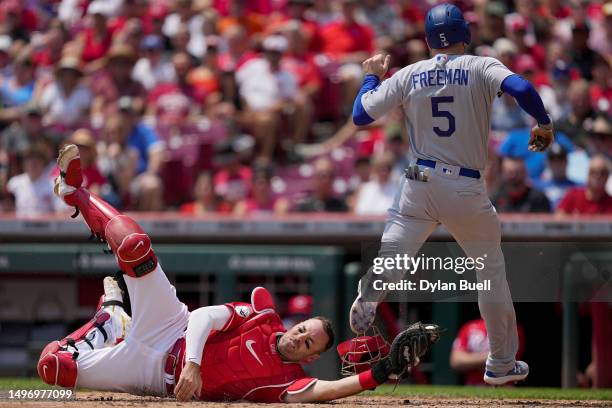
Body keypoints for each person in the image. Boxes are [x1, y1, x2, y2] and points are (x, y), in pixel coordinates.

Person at [39, 143, 440, 403]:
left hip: (149, 377)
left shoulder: (286, 382)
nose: (301, 338)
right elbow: (204, 317)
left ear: (314, 356)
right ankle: (76, 193)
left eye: (309, 343)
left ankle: (109, 318)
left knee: (52, 368)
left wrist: (383, 371)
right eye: (304, 330)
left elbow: (333, 390)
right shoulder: (263, 318)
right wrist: (193, 363)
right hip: (171, 329)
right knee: (134, 246)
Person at [348, 4, 556, 386]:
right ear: (466, 34)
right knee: (489, 271)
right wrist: (543, 121)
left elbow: (361, 115)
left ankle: (373, 286)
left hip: (419, 179)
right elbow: (523, 88)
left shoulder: (410, 73)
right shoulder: (481, 65)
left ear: (428, 41)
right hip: (464, 185)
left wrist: (372, 77)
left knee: (396, 247)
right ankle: (501, 362)